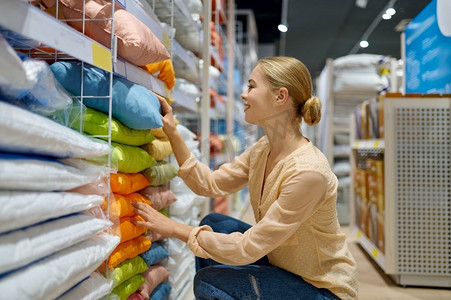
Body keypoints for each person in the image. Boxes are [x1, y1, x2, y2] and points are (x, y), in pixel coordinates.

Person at [132, 56, 358, 299]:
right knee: (216, 223)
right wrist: (173, 132)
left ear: (280, 97)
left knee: (209, 282)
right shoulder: (263, 149)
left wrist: (173, 228)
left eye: (251, 86)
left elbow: (247, 248)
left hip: (319, 287)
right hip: (283, 267)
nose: (243, 94)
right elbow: (210, 184)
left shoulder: (308, 172)